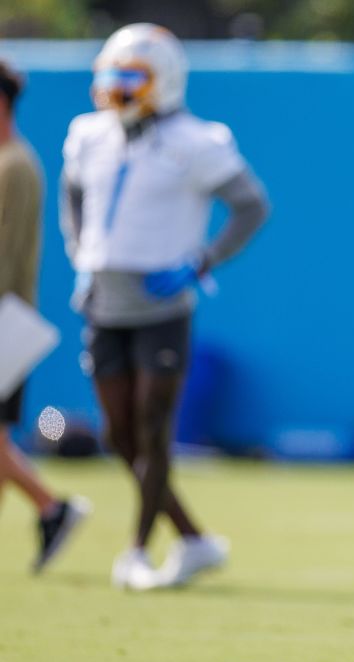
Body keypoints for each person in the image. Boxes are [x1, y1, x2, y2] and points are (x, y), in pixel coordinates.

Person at [60, 24, 269, 590]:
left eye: (131, 76)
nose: (117, 87)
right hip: (104, 297)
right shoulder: (88, 134)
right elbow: (73, 192)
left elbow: (251, 206)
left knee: (153, 429)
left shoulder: (197, 141)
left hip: (162, 303)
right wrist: (82, 252)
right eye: (111, 74)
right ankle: (195, 540)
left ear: (163, 80)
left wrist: (201, 260)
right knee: (119, 435)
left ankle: (135, 551)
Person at [0, 60, 91, 574]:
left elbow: (6, 254)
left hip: (5, 317)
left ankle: (53, 506)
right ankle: (52, 509)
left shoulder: (15, 165)